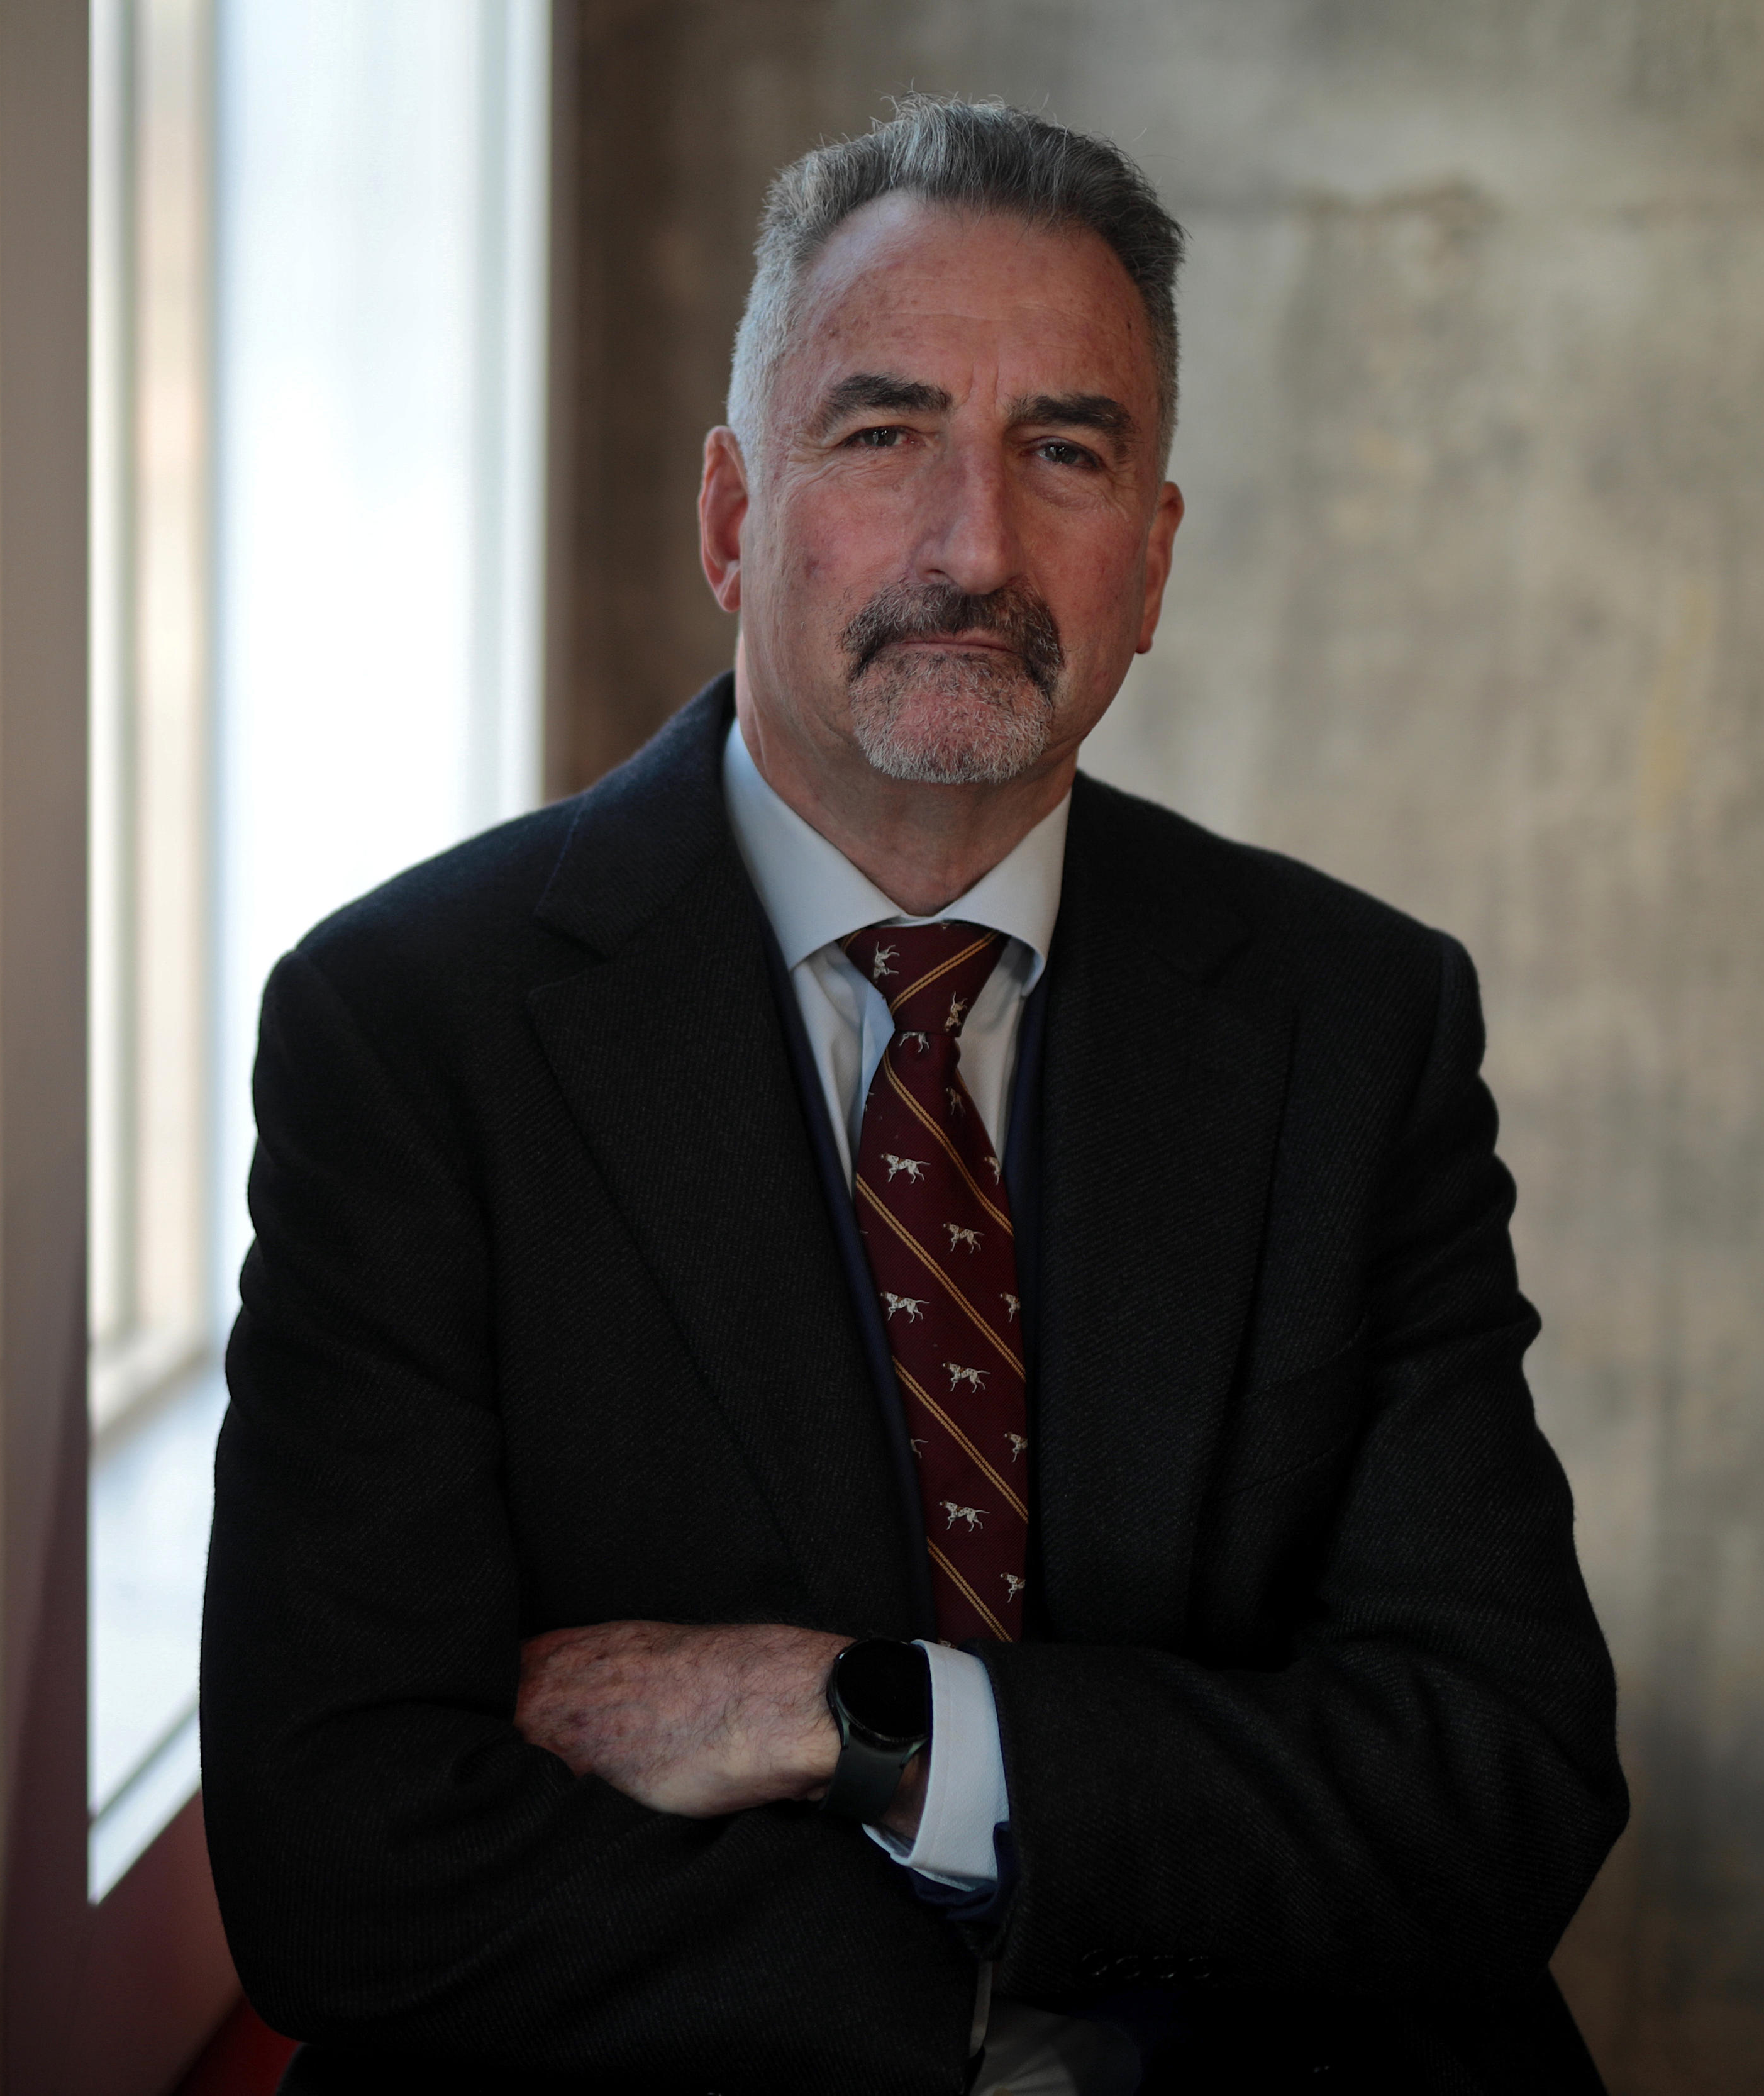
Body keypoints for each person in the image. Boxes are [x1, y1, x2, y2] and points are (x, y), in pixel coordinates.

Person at [202, 97, 1624, 2095]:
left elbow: (1500, 1773)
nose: (974, 545)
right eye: (882, 435)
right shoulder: (408, 1032)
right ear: (730, 520)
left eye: (1065, 450)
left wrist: (862, 1715)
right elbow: (339, 1848)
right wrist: (975, 2013)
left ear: (1153, 557)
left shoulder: (1354, 1027)